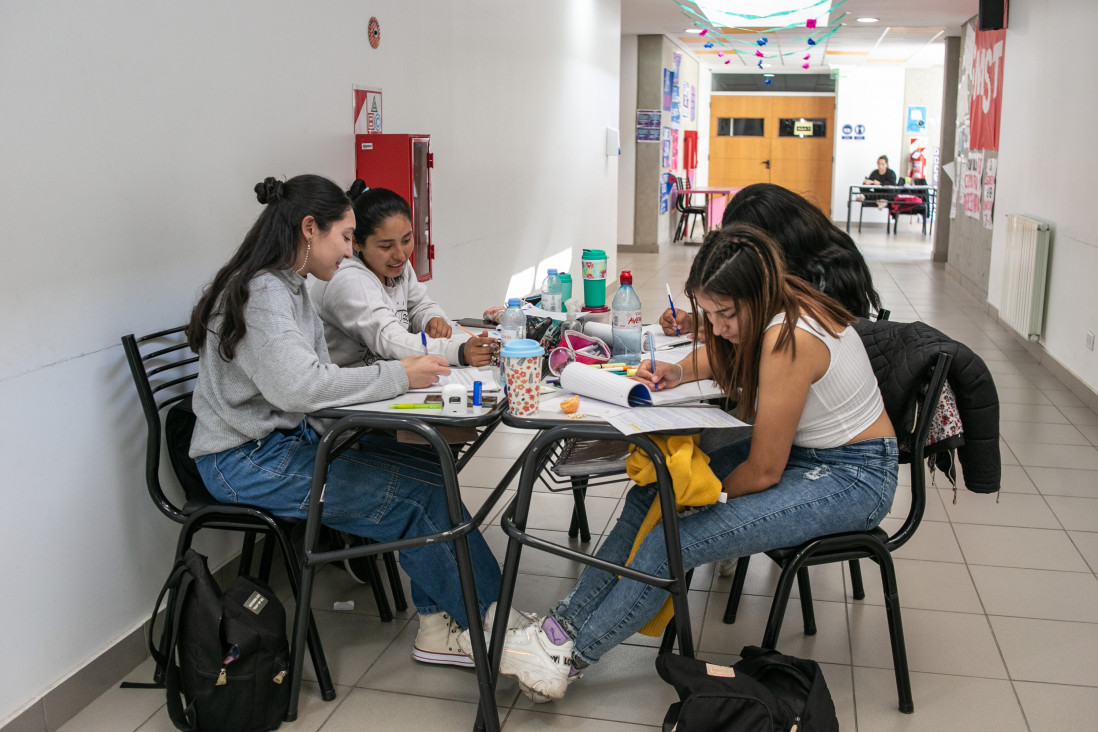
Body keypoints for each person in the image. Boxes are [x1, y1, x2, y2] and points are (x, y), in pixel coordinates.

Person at [482, 222, 898, 702]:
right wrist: (680, 369)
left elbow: (764, 472)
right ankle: (558, 632)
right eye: (710, 313)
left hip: (856, 475)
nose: (716, 327)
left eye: (725, 315)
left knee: (676, 535)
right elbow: (733, 355)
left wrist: (702, 500)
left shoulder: (791, 339)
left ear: (756, 294)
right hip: (812, 456)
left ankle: (571, 659)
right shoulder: (776, 305)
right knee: (651, 493)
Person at [186, 174, 515, 668]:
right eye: (345, 237)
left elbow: (313, 382)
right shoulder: (263, 293)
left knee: (429, 469)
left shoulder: (289, 285)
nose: (347, 252)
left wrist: (397, 380)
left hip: (283, 443)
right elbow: (301, 387)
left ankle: (442, 625)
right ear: (309, 229)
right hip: (244, 462)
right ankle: (498, 632)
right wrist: (399, 377)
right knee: (413, 500)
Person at [310, 181, 497, 368]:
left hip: (394, 374)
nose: (400, 254)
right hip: (357, 384)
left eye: (407, 239)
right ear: (356, 242)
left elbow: (418, 305)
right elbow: (389, 338)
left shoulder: (395, 265)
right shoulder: (348, 280)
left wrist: (431, 319)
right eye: (386, 246)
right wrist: (458, 351)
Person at [659, 183, 883, 337]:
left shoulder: (817, 285)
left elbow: (767, 331)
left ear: (771, 241)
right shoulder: (804, 254)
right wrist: (697, 321)